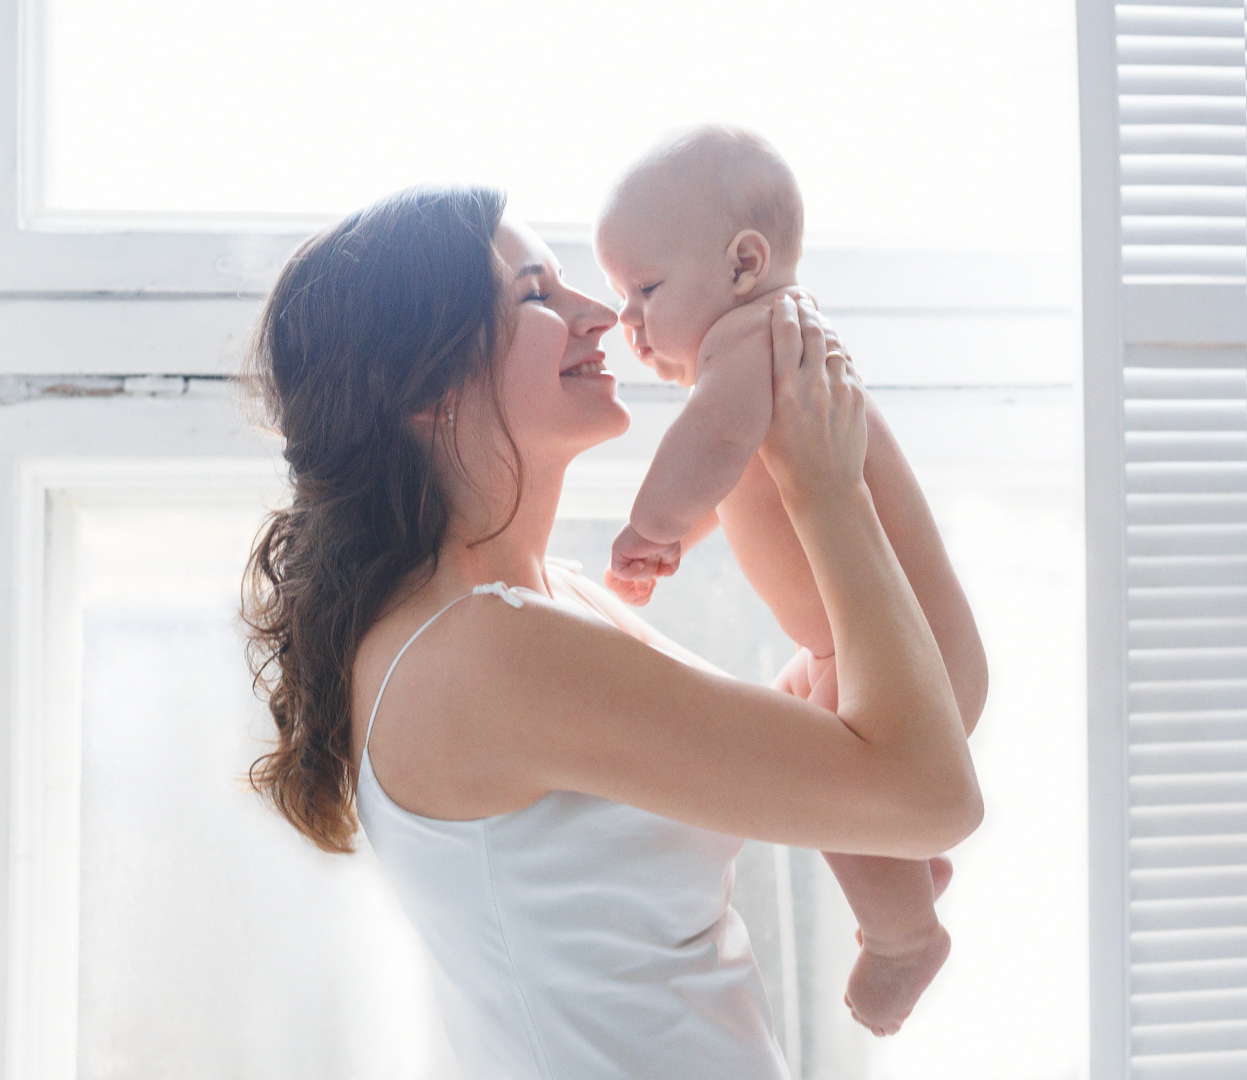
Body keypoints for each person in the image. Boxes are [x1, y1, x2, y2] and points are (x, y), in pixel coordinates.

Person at [242, 185, 982, 1079]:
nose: (598, 315)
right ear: (425, 386)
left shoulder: (541, 604)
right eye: (536, 295)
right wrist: (824, 487)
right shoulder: (489, 654)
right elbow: (932, 796)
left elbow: (817, 756)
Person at [595, 124, 989, 1034]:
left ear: (743, 261)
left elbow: (709, 447)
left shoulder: (756, 336)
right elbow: (731, 476)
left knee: (826, 777)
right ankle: (898, 863)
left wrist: (650, 525)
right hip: (866, 646)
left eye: (645, 290)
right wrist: (681, 537)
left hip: (903, 654)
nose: (629, 324)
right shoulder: (774, 350)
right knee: (800, 759)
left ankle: (903, 937)